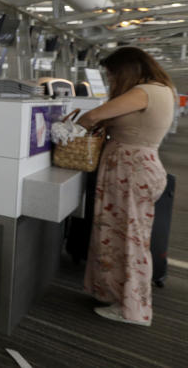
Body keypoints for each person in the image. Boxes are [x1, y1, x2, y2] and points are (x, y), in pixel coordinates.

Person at [76, 46, 175, 326]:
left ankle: (133, 310)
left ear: (127, 70)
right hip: (135, 169)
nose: (110, 80)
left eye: (112, 74)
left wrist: (72, 130)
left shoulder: (143, 91)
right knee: (122, 237)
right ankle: (115, 293)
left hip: (131, 171)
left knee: (129, 241)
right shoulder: (161, 89)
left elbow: (93, 116)